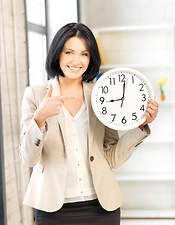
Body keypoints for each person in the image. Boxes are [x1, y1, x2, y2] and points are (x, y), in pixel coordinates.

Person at [20, 22, 158, 225]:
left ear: (90, 58)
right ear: (58, 54)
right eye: (69, 52)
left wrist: (139, 128)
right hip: (53, 209)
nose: (76, 60)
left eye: (84, 54)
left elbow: (112, 158)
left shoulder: (101, 94)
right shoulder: (35, 94)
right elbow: (28, 159)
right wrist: (39, 118)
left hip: (101, 208)